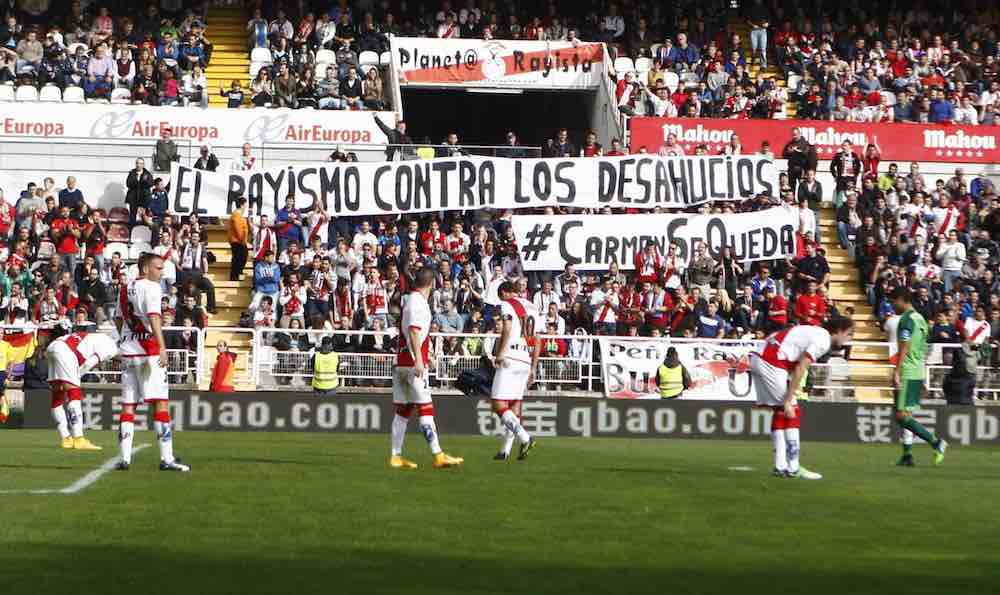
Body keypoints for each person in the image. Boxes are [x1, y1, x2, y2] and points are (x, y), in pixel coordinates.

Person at [749, 316, 855, 480]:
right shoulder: (823, 340)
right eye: (849, 334)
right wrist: (788, 399)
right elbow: (800, 368)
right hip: (772, 361)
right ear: (839, 331)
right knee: (792, 410)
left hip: (761, 357)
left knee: (780, 411)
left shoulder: (816, 332)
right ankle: (793, 467)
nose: (849, 339)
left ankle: (780, 466)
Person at [115, 253, 190, 472]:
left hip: (128, 351)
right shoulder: (152, 287)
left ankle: (125, 458)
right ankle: (167, 458)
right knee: (160, 403)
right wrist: (162, 346)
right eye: (158, 267)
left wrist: (124, 338)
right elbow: (155, 317)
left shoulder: (125, 287)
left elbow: (118, 318)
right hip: (149, 351)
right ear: (146, 269)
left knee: (129, 406)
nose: (162, 272)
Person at [390, 267, 463, 470]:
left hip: (403, 361)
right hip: (412, 364)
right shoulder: (418, 303)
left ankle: (395, 456)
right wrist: (420, 360)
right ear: (432, 284)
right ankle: (438, 454)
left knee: (404, 410)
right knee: (426, 408)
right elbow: (414, 331)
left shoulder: (411, 300)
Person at [891, 287, 947, 467]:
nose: (892, 305)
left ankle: (936, 442)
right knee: (906, 414)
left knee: (901, 416)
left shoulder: (906, 320)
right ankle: (907, 455)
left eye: (894, 301)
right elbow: (922, 347)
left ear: (901, 299)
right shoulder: (920, 319)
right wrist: (922, 376)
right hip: (917, 369)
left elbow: (905, 347)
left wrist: (897, 371)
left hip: (907, 370)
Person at [490, 281, 541, 461]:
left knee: (498, 403)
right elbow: (537, 338)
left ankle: (525, 438)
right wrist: (534, 367)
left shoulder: (507, 304)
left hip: (510, 356)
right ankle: (505, 451)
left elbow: (507, 328)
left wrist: (500, 354)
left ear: (504, 292)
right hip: (525, 358)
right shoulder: (532, 307)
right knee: (514, 406)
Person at [46, 323, 118, 450]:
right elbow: (90, 362)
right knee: (74, 393)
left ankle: (66, 438)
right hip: (65, 351)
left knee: (57, 395)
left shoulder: (94, 337)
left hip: (52, 347)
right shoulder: (111, 346)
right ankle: (79, 439)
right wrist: (77, 376)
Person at [226, 197, 250, 281]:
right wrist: (243, 240)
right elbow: (238, 229)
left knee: (240, 257)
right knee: (239, 258)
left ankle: (236, 274)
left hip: (239, 240)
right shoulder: (236, 215)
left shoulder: (238, 215)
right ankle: (235, 275)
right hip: (238, 241)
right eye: (245, 204)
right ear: (242, 205)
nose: (246, 207)